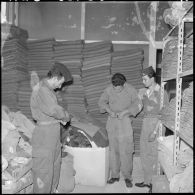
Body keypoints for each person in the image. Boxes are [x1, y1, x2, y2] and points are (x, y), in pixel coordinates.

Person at [30, 62, 72, 193]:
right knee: (44, 170)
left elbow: (50, 112)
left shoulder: (47, 90)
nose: (60, 86)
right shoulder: (42, 90)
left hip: (52, 133)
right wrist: (65, 116)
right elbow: (53, 109)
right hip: (44, 136)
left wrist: (59, 119)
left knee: (54, 165)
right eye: (61, 82)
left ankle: (52, 190)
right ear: (55, 78)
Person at [98, 73, 142, 188]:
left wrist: (126, 112)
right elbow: (101, 101)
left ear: (124, 84)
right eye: (114, 87)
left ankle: (127, 177)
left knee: (126, 150)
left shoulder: (130, 89)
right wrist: (108, 109)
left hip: (125, 122)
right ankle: (114, 175)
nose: (116, 90)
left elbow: (138, 103)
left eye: (118, 88)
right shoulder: (109, 89)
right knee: (113, 150)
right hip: (112, 122)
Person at [135, 66, 168, 193]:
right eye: (142, 80)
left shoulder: (161, 92)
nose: (143, 82)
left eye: (145, 79)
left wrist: (155, 131)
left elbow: (163, 115)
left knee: (154, 154)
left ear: (152, 78)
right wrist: (138, 99)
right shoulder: (144, 92)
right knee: (144, 152)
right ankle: (147, 180)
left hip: (156, 124)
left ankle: (154, 183)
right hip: (146, 122)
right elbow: (139, 107)